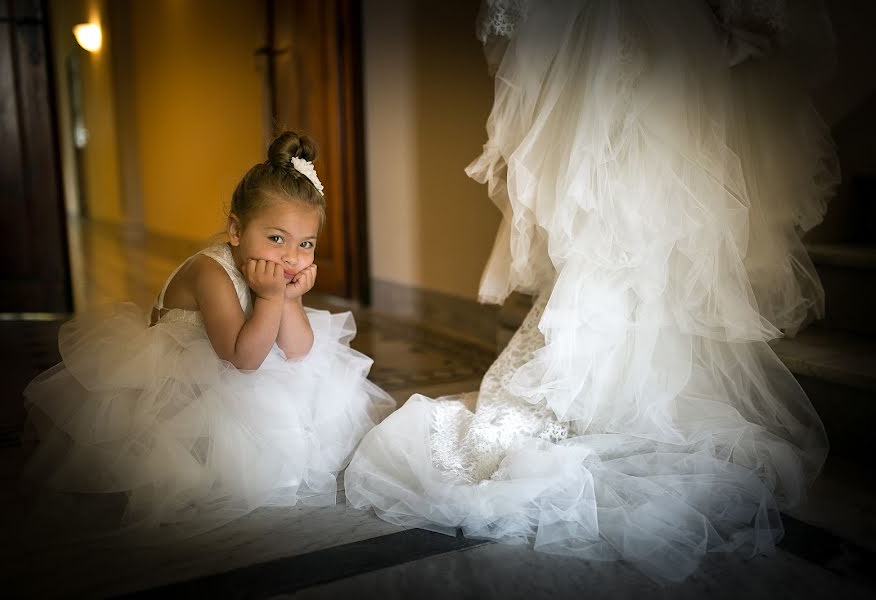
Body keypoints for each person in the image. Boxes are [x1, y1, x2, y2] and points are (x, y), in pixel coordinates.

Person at [345, 0, 838, 583]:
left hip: (643, 46)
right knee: (618, 216)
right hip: (641, 43)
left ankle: (615, 389)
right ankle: (604, 390)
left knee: (638, 219)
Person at [22, 130, 394, 542]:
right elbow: (241, 360)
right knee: (224, 437)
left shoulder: (277, 272)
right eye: (276, 238)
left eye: (306, 244)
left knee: (308, 386)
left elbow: (298, 349)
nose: (291, 257)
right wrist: (272, 299)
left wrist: (288, 299)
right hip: (182, 377)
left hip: (240, 355)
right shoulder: (210, 273)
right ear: (236, 230)